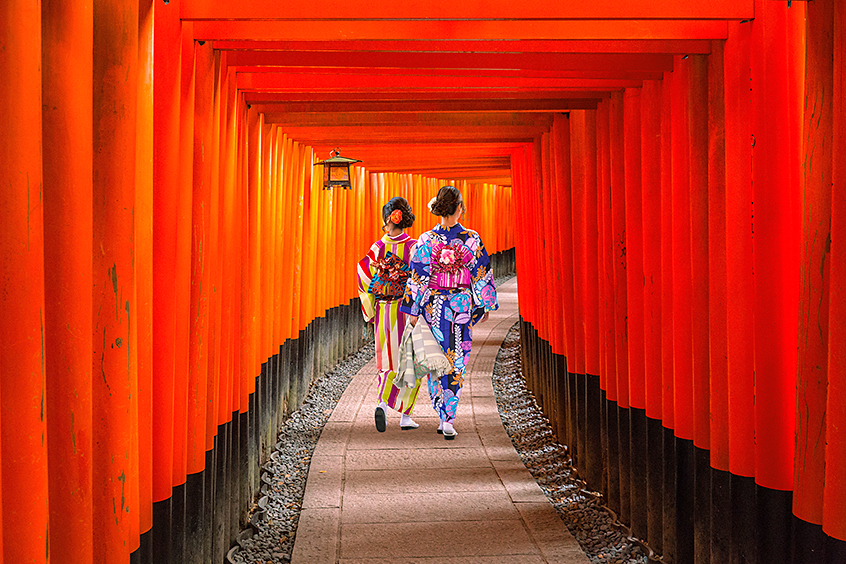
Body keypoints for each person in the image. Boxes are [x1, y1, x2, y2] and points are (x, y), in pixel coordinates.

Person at [400, 185, 499, 439]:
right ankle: (448, 417)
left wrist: (413, 308)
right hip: (461, 305)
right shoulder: (472, 239)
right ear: (459, 209)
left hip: (434, 306)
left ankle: (441, 411)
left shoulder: (425, 240)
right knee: (457, 361)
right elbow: (481, 272)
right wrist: (485, 302)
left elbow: (417, 277)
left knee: (437, 360)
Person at [357, 196, 423, 432]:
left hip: (384, 309)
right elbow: (420, 279)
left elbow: (364, 275)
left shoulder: (377, 248)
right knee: (411, 359)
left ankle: (384, 404)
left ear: (388, 220)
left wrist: (370, 306)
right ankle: (402, 413)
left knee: (387, 357)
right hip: (408, 310)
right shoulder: (414, 246)